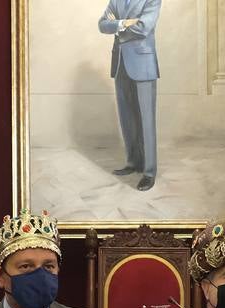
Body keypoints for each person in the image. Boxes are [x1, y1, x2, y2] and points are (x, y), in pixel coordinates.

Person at [98, 0, 161, 190]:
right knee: (127, 118)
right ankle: (133, 163)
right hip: (120, 65)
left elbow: (143, 28)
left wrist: (116, 25)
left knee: (146, 121)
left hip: (143, 63)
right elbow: (102, 24)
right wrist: (124, 23)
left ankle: (149, 172)